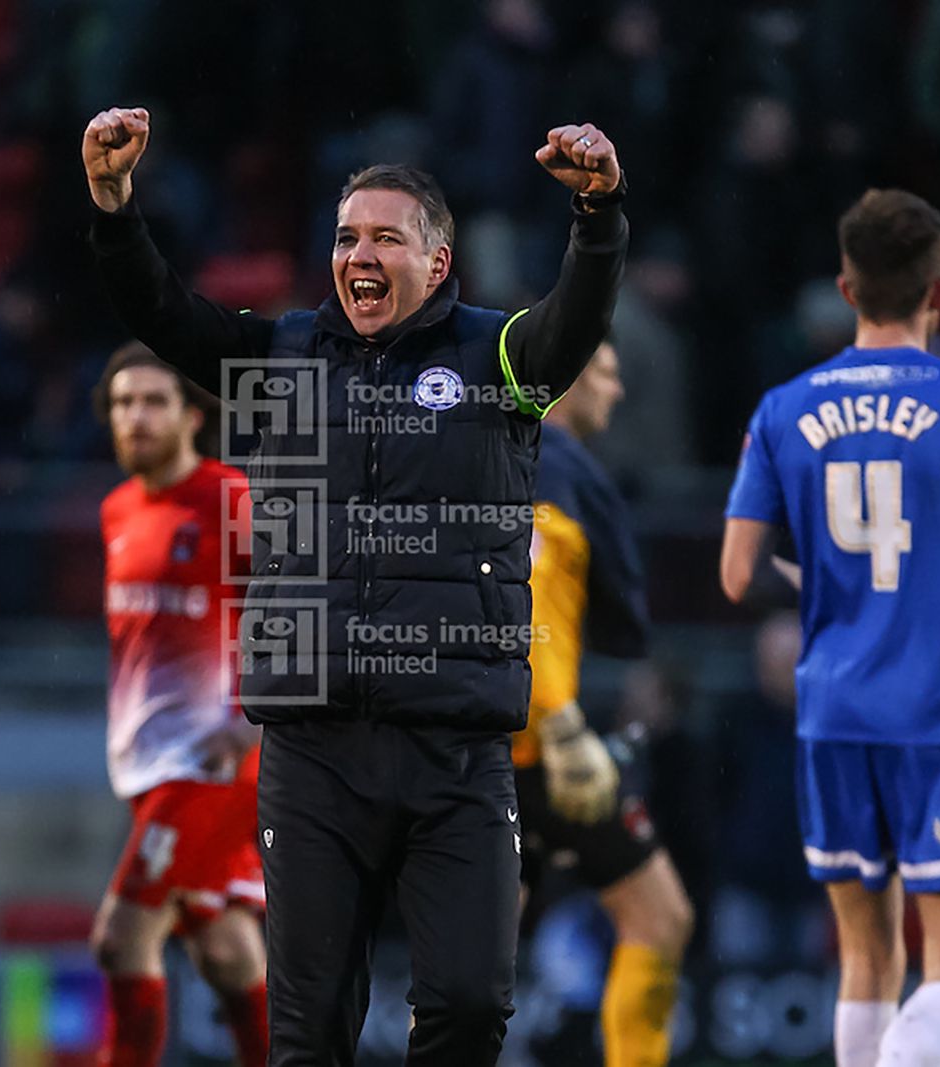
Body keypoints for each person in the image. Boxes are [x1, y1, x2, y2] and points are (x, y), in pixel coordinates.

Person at [84, 106, 627, 1064]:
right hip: (314, 752)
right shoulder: (281, 358)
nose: (358, 254)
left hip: (456, 750)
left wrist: (597, 219)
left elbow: (575, 319)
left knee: (467, 1005)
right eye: (345, 237)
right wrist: (115, 207)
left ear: (440, 262)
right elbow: (162, 315)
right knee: (308, 1028)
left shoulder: (499, 359)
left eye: (385, 237)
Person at [719, 188, 940, 1067]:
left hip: (833, 712)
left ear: (846, 287)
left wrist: (821, 576)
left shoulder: (782, 409)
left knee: (868, 962)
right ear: (939, 293)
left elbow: (735, 574)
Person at [88, 341, 266, 1067]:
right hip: (148, 764)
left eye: (153, 402)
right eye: (124, 403)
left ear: (194, 415)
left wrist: (252, 718)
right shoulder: (117, 511)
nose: (136, 418)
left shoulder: (230, 499)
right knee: (225, 952)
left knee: (121, 936)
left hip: (210, 765)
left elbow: (306, 604)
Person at [517, 341, 693, 1067]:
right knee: (659, 917)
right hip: (535, 747)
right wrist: (557, 719)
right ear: (567, 378)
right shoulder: (555, 464)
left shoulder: (476, 453)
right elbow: (529, 607)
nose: (617, 393)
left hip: (462, 745)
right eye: (610, 374)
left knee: (468, 971)